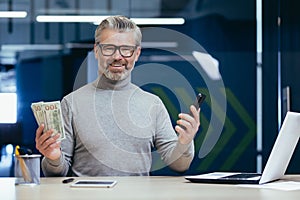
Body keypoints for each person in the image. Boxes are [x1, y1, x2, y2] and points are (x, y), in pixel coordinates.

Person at [35, 15, 201, 176]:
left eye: (126, 50)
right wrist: (53, 157)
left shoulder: (153, 104)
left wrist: (184, 143)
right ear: (96, 51)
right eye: (109, 48)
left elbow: (179, 165)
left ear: (136, 54)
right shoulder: (71, 103)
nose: (117, 57)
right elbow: (56, 172)